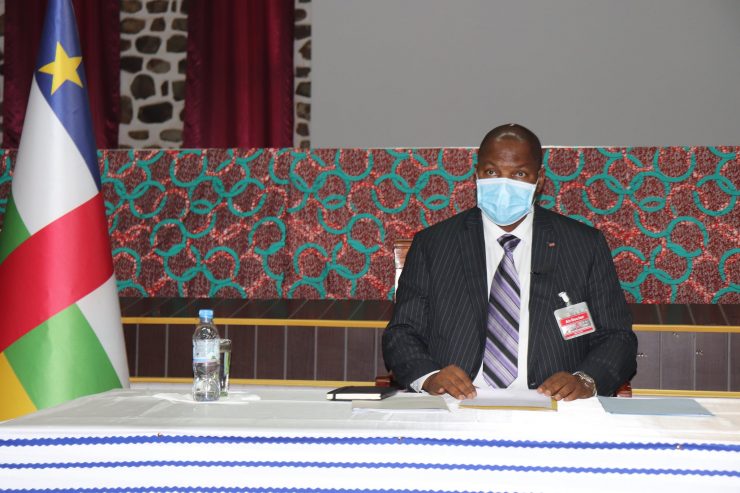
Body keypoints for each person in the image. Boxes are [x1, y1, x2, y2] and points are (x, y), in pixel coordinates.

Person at [382, 123, 637, 401]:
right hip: (456, 404)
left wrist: (585, 380)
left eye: (519, 174)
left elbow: (617, 337)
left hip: (554, 406)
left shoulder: (583, 246)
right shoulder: (433, 245)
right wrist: (430, 376)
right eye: (492, 172)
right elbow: (402, 332)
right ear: (477, 175)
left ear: (539, 180)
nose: (503, 184)